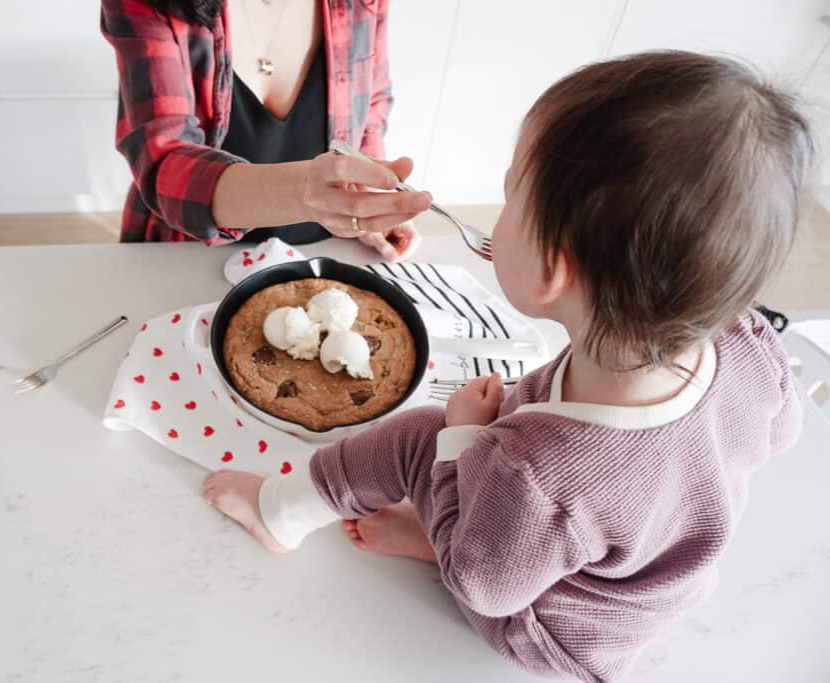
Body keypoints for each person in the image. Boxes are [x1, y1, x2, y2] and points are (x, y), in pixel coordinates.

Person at [201, 51, 814, 681]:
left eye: (509, 195)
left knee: (419, 437)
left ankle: (280, 512)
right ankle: (455, 532)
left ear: (553, 271)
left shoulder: (541, 473)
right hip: (618, 588)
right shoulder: (742, 342)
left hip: (547, 626)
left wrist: (463, 438)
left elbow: (486, 585)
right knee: (490, 513)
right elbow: (778, 429)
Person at [100, 0, 429, 260]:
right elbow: (164, 160)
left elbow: (372, 100)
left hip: (325, 251)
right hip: (187, 251)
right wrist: (305, 192)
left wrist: (369, 198)